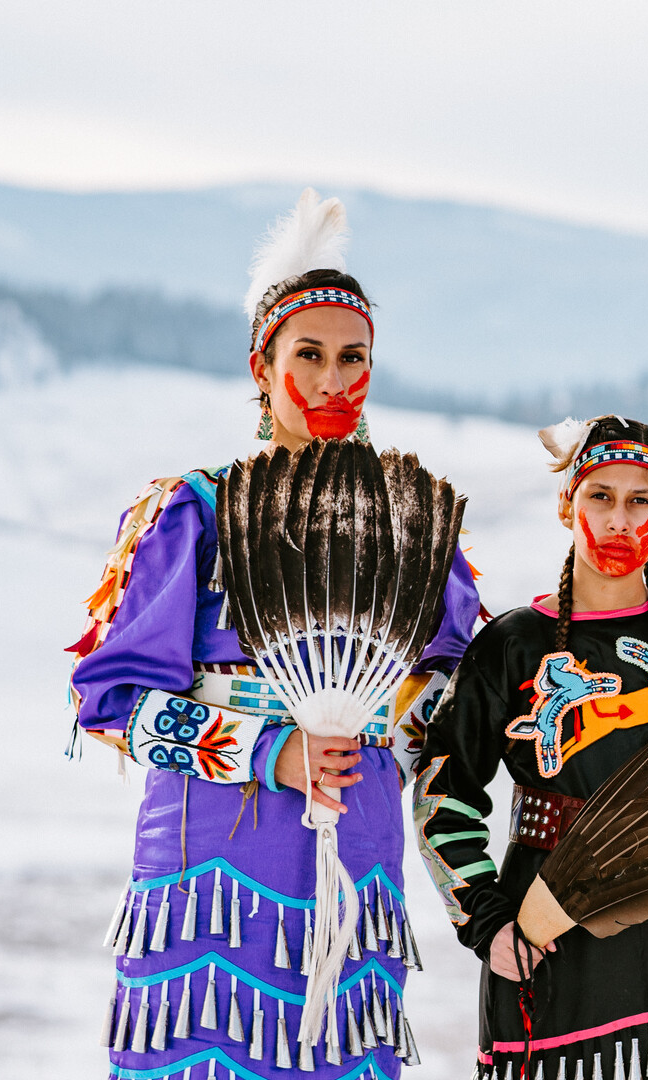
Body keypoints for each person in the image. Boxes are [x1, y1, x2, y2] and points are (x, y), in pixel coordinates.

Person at [69, 189, 480, 1080]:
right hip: (211, 865)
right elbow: (110, 701)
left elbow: (453, 697)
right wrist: (267, 751)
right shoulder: (195, 515)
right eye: (310, 355)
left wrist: (404, 723)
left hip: (356, 853)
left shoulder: (411, 528)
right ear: (262, 365)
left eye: (354, 357)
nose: (334, 381)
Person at [416, 416, 648, 1080]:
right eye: (600, 496)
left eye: (641, 500)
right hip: (541, 931)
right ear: (566, 505)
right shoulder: (512, 644)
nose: (620, 519)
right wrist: (489, 923)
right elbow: (443, 792)